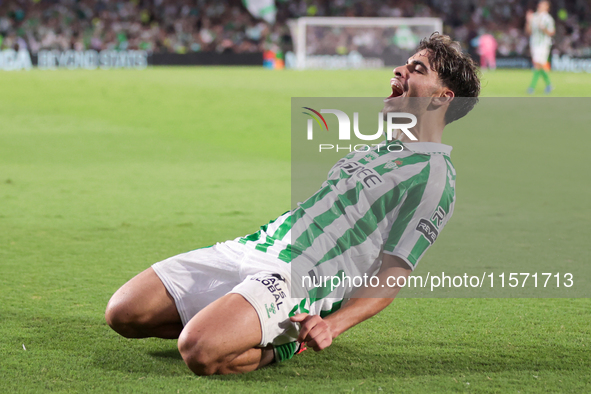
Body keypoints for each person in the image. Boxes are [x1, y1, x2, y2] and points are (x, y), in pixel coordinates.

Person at [104, 33, 481, 376]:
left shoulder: (433, 176)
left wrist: (331, 324)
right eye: (406, 63)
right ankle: (242, 319)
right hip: (254, 246)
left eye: (417, 69)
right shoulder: (378, 149)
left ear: (442, 97)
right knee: (123, 313)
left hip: (299, 280)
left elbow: (394, 273)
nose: (399, 70)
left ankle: (285, 345)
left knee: (199, 349)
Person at [526, 0, 555, 94]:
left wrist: (543, 28)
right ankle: (549, 84)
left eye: (543, 5)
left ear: (547, 7)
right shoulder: (533, 17)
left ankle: (531, 87)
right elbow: (528, 31)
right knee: (539, 64)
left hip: (543, 44)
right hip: (534, 43)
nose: (540, 6)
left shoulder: (548, 18)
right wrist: (528, 21)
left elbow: (551, 32)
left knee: (538, 63)